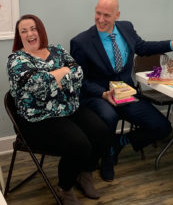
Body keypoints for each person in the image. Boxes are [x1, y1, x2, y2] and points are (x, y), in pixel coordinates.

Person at [70, 0, 173, 182]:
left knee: (162, 127)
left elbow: (142, 47)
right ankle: (107, 155)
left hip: (125, 93)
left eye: (107, 15)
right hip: (99, 95)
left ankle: (120, 142)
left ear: (117, 15)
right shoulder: (81, 42)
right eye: (98, 13)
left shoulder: (126, 27)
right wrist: (102, 93)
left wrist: (172, 44)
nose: (101, 20)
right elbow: (80, 81)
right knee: (108, 118)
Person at [7, 14, 111, 205]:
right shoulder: (16, 60)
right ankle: (65, 186)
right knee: (79, 144)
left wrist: (54, 79)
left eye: (33, 28)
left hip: (68, 108)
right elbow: (37, 86)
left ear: (40, 30)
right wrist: (62, 73)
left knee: (102, 132)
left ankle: (84, 174)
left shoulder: (58, 50)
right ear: (19, 36)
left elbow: (78, 74)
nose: (30, 33)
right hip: (37, 117)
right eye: (24, 31)